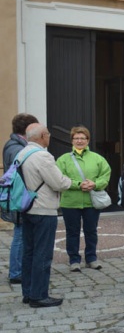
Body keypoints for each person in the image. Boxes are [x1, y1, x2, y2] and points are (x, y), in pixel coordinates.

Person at [19, 123, 71, 307]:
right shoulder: (42, 155)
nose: (49, 137)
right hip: (43, 208)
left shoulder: (22, 153)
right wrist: (71, 181)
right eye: (48, 134)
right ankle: (39, 295)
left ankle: (28, 292)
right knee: (42, 253)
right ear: (42, 136)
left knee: (29, 252)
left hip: (26, 207)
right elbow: (58, 182)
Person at [56, 126, 112, 271]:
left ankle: (91, 258)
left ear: (88, 140)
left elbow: (105, 175)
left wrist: (95, 184)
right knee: (72, 232)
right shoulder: (63, 160)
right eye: (76, 138)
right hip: (70, 202)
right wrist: (78, 185)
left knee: (91, 231)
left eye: (82, 138)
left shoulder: (97, 158)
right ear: (72, 141)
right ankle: (74, 260)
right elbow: (59, 178)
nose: (79, 141)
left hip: (91, 202)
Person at [3, 112, 38, 285]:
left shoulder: (14, 144)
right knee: (20, 234)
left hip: (18, 196)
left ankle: (18, 270)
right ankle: (16, 272)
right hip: (20, 197)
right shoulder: (17, 147)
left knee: (21, 233)